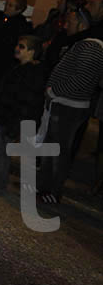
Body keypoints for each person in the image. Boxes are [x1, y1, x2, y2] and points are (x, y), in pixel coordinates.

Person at [37, 33, 103, 204]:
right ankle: (44, 186)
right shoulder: (89, 46)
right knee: (53, 145)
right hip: (66, 103)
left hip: (68, 105)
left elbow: (80, 79)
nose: (67, 25)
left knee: (58, 148)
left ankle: (51, 190)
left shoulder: (92, 48)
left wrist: (54, 91)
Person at [0, 35, 45, 194]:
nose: (17, 49)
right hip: (7, 116)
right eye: (17, 45)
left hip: (11, 118)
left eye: (22, 47)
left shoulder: (30, 73)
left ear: (31, 52)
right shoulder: (20, 69)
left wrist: (16, 121)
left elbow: (24, 100)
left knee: (1, 152)